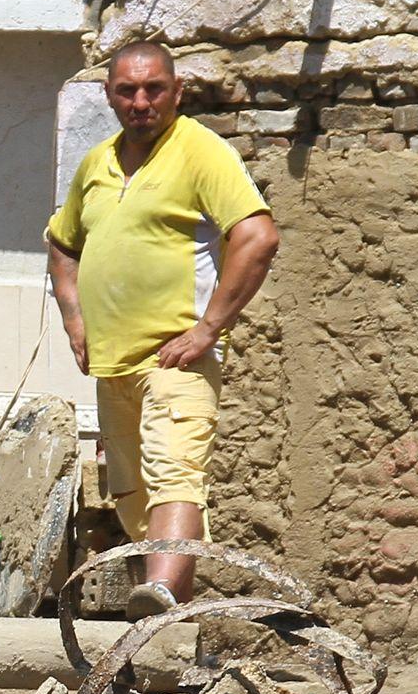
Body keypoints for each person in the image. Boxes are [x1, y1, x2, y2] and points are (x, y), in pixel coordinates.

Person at [45, 40, 279, 616]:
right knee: (134, 499)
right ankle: (172, 629)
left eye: (154, 89)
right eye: (127, 90)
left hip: (176, 362)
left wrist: (208, 330)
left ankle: (162, 597)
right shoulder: (96, 163)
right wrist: (76, 321)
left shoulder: (199, 150)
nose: (141, 101)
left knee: (176, 476)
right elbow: (62, 244)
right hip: (113, 366)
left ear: (177, 92)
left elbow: (258, 237)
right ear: (109, 96)